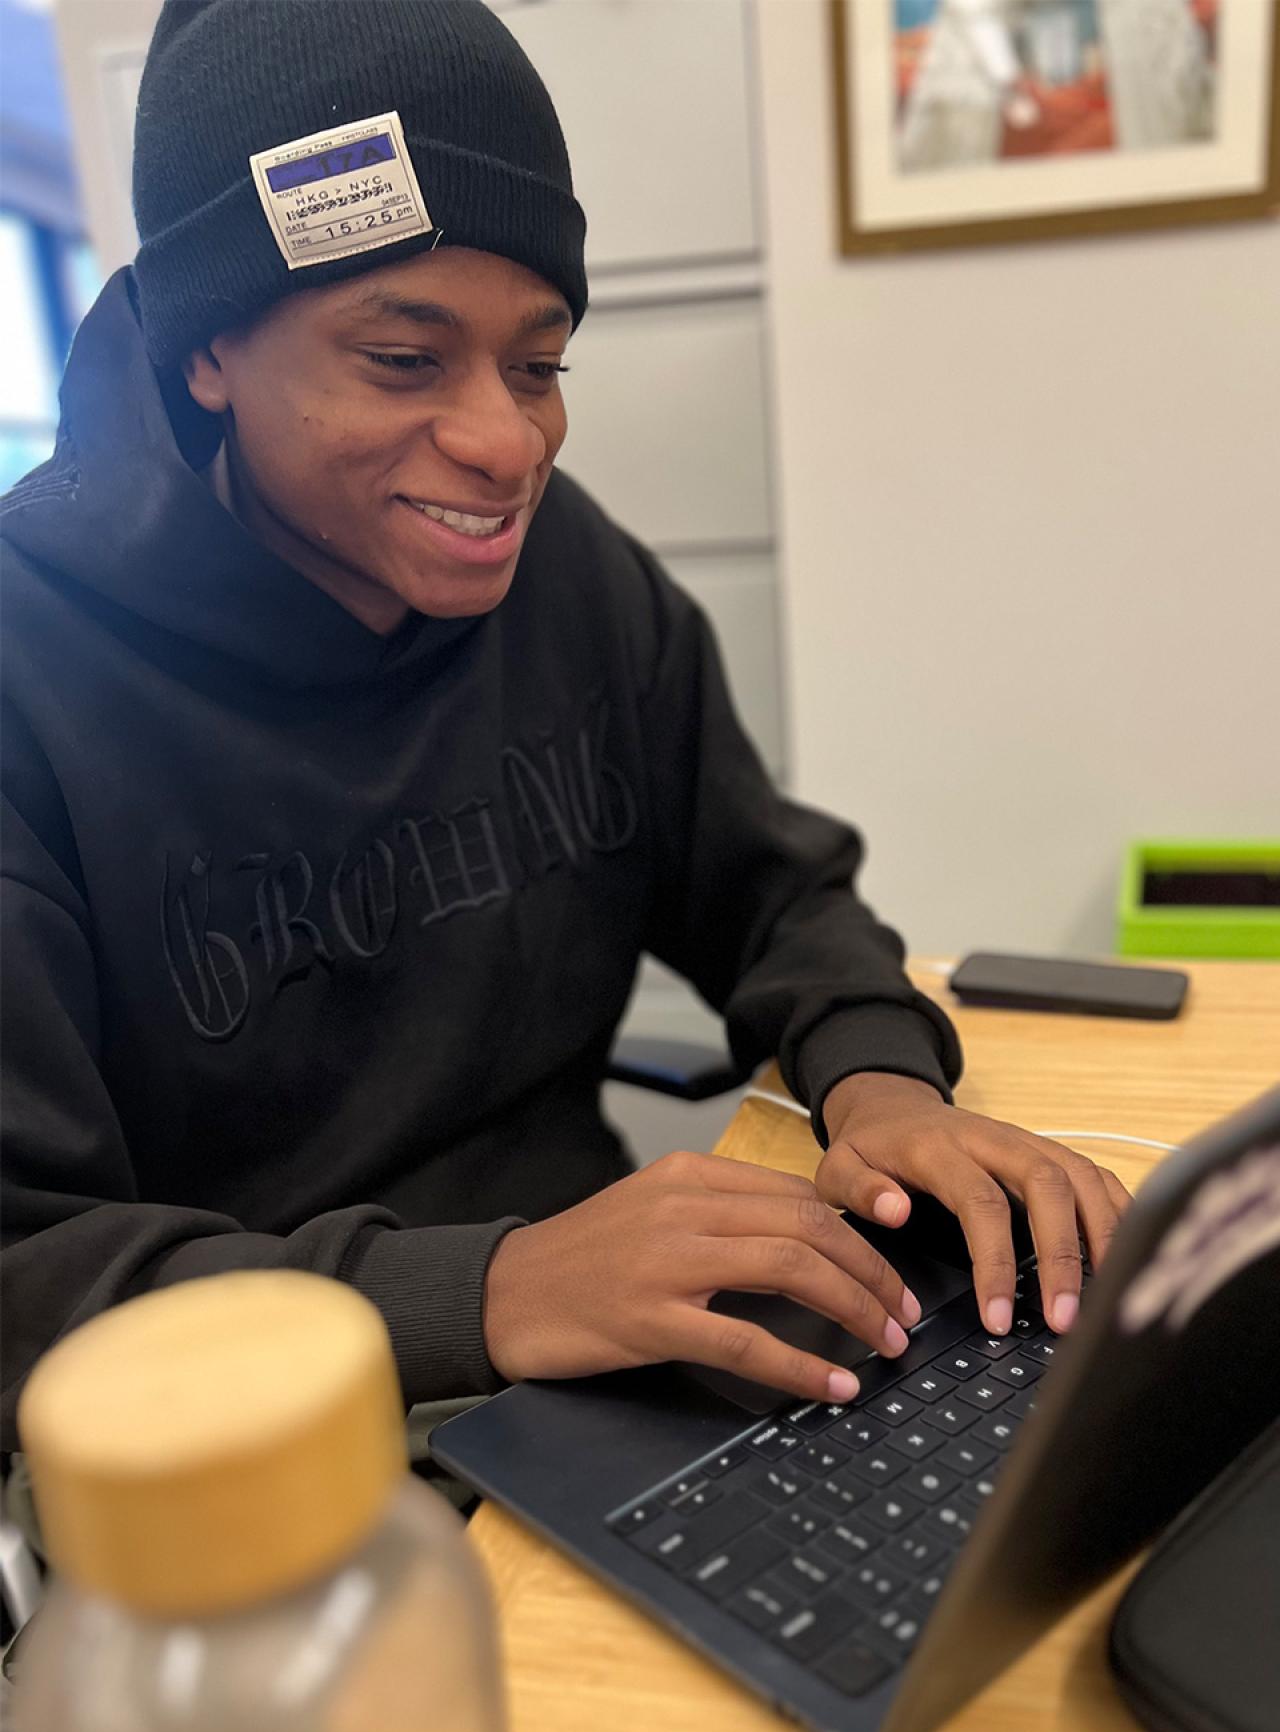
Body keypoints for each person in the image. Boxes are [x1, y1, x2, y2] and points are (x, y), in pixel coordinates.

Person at [0, 0, 1131, 1460]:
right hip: (247, 1447)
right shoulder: (31, 681)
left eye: (538, 367)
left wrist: (880, 1083)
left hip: (608, 1361)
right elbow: (24, 1273)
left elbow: (775, 889)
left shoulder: (566, 572)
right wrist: (485, 1290)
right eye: (403, 358)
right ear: (207, 346)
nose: (506, 445)